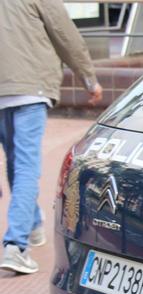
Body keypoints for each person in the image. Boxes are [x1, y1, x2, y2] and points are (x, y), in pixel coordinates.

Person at [0, 0, 102, 275]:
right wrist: (89, 79)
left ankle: (33, 225)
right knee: (25, 166)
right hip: (29, 88)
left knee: (15, 162)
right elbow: (65, 34)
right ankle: (16, 247)